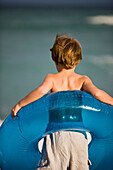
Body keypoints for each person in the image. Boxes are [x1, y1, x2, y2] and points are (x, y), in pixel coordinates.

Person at [11, 34, 113, 170]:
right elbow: (97, 93)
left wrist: (19, 105)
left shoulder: (52, 78)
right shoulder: (83, 80)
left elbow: (41, 91)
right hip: (79, 136)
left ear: (54, 59)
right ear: (78, 59)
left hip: (56, 136)